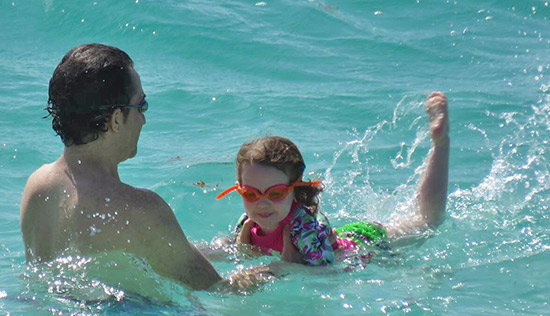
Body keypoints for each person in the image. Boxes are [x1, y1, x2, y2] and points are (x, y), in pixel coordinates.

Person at [19, 43, 264, 294]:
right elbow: (220, 290)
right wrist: (278, 269)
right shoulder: (140, 209)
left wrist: (223, 250)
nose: (144, 119)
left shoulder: (37, 185)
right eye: (141, 105)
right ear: (115, 120)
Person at [216, 92, 450, 265]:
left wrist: (284, 269)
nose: (262, 203)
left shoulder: (305, 228)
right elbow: (229, 247)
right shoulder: (247, 221)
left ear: (294, 189)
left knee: (427, 221)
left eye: (275, 193)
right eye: (250, 193)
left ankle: (440, 144)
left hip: (366, 245)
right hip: (343, 236)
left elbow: (329, 272)